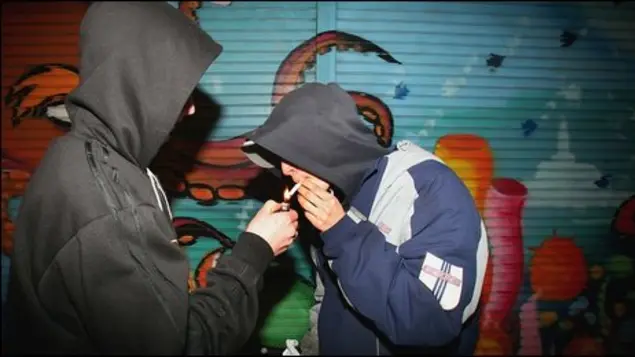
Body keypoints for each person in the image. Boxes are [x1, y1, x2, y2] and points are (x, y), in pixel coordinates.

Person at [2, 2, 299, 355]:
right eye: (177, 89)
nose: (190, 108)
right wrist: (256, 250)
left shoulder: (74, 155)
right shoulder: (114, 208)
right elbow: (188, 345)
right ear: (138, 83)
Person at [241, 83, 489, 355]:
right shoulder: (331, 197)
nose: (284, 168)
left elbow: (430, 320)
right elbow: (330, 297)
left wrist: (343, 233)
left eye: (292, 153)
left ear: (329, 143)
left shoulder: (430, 189)